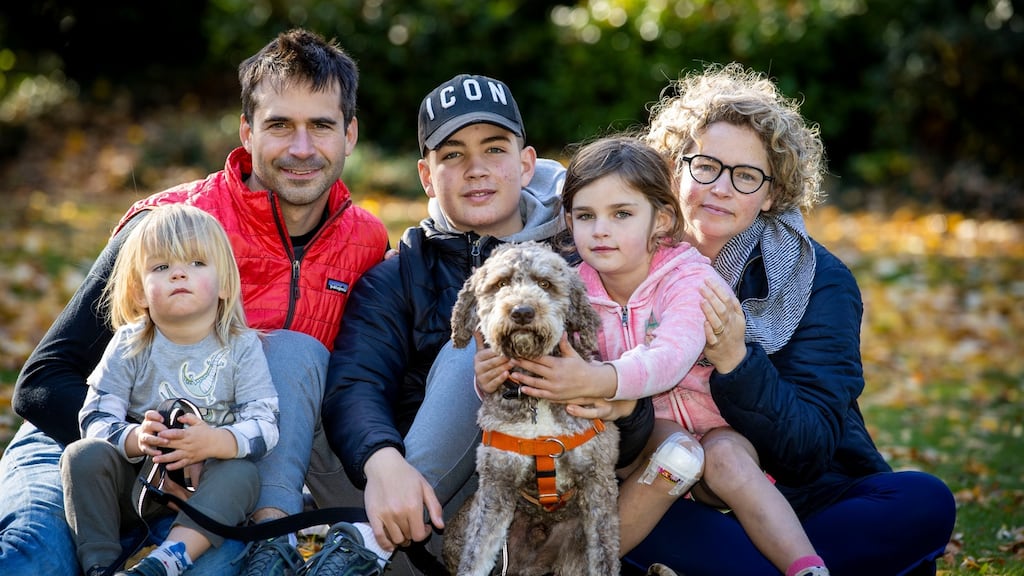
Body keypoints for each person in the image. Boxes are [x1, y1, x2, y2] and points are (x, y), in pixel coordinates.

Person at [1, 28, 389, 576]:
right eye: (280, 125)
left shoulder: (367, 243)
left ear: (350, 134)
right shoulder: (171, 225)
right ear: (247, 132)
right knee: (33, 559)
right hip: (86, 447)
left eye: (321, 126)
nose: (302, 149)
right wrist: (147, 447)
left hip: (216, 477)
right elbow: (42, 382)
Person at [620, 63, 955, 574]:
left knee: (923, 499)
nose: (722, 188)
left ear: (771, 194)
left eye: (746, 176)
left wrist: (736, 360)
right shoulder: (621, 258)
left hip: (804, 499)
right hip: (671, 494)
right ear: (673, 168)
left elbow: (809, 449)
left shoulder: (818, 279)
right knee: (624, 512)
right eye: (706, 165)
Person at [317, 73, 653, 575]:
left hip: (515, 500)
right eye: (453, 155)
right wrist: (382, 459)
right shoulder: (397, 274)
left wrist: (617, 399)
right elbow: (356, 383)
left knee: (479, 347)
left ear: (526, 163)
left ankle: (366, 549)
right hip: (395, 493)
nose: (476, 169)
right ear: (426, 176)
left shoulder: (575, 261)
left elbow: (630, 412)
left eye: (494, 149)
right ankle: (307, 537)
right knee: (303, 360)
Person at [495, 135, 830, 576]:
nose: (601, 230)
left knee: (727, 459)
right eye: (585, 215)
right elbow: (531, 353)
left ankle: (806, 567)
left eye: (621, 214)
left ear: (662, 219)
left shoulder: (690, 278)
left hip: (719, 431)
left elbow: (669, 357)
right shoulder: (569, 288)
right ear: (569, 220)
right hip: (649, 441)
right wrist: (494, 373)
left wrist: (601, 378)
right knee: (677, 454)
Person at [61, 204, 280, 576]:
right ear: (140, 292)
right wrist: (136, 438)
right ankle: (101, 564)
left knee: (243, 475)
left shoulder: (241, 347)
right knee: (81, 456)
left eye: (196, 263)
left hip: (206, 490)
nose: (179, 273)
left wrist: (214, 442)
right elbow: (95, 415)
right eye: (161, 267)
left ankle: (166, 561)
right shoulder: (130, 343)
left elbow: (266, 424)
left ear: (225, 284)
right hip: (137, 484)